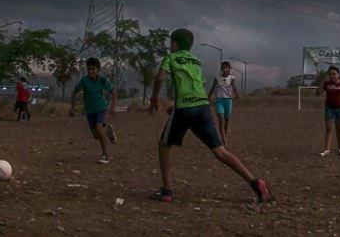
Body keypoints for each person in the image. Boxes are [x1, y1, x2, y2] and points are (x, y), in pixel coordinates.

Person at [148, 28, 272, 204]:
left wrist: (154, 99)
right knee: (221, 152)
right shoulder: (196, 61)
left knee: (164, 145)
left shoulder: (171, 58)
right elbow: (195, 86)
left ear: (174, 44)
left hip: (185, 108)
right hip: (203, 107)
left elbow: (160, 78)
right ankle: (255, 182)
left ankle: (167, 190)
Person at [69, 58, 118, 164]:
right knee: (97, 136)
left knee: (99, 128)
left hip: (101, 108)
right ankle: (108, 131)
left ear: (98, 70)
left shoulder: (102, 80)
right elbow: (74, 93)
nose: (91, 71)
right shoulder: (84, 80)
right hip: (89, 110)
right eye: (89, 69)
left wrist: (113, 107)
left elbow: (113, 91)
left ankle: (105, 155)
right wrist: (72, 107)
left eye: (93, 69)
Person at [315, 66, 340, 157]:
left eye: (334, 73)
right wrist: (323, 81)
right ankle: (326, 150)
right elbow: (317, 93)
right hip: (329, 109)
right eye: (330, 74)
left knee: (339, 130)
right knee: (329, 129)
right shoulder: (327, 84)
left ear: (338, 74)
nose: (332, 75)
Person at [207, 61, 239, 147]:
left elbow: (234, 87)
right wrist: (208, 98)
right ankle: (223, 140)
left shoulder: (231, 78)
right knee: (221, 120)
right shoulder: (217, 78)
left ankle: (225, 136)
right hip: (219, 101)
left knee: (226, 120)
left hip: (228, 101)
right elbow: (212, 89)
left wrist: (236, 95)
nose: (225, 69)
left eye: (226, 68)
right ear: (221, 69)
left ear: (229, 68)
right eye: (223, 68)